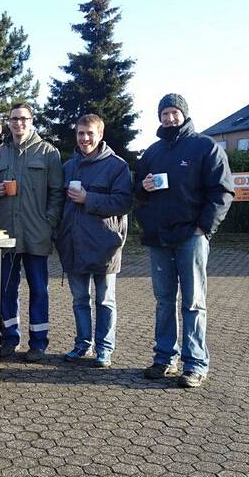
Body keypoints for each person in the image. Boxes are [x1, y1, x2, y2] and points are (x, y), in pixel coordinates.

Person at [135, 93, 234, 388]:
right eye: (164, 113)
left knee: (192, 303)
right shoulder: (151, 152)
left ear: (184, 115)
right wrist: (143, 186)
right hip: (159, 239)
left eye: (174, 112)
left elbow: (222, 191)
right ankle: (165, 357)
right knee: (164, 301)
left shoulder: (204, 147)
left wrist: (204, 227)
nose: (169, 118)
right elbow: (137, 193)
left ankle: (195, 364)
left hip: (191, 237)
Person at [0, 103, 64, 362]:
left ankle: (39, 342)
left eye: (23, 119)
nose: (18, 123)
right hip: (6, 232)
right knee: (7, 289)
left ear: (32, 121)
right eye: (14, 119)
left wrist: (49, 222)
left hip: (36, 233)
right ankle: (10, 338)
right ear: (8, 123)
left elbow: (56, 193)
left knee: (39, 289)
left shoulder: (48, 152)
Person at [55, 114, 133, 368]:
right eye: (80, 133)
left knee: (105, 300)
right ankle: (82, 343)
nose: (85, 138)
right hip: (74, 244)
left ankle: (104, 348)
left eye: (90, 133)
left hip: (104, 246)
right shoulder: (68, 167)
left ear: (100, 135)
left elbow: (123, 202)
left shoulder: (116, 166)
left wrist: (88, 198)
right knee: (79, 300)